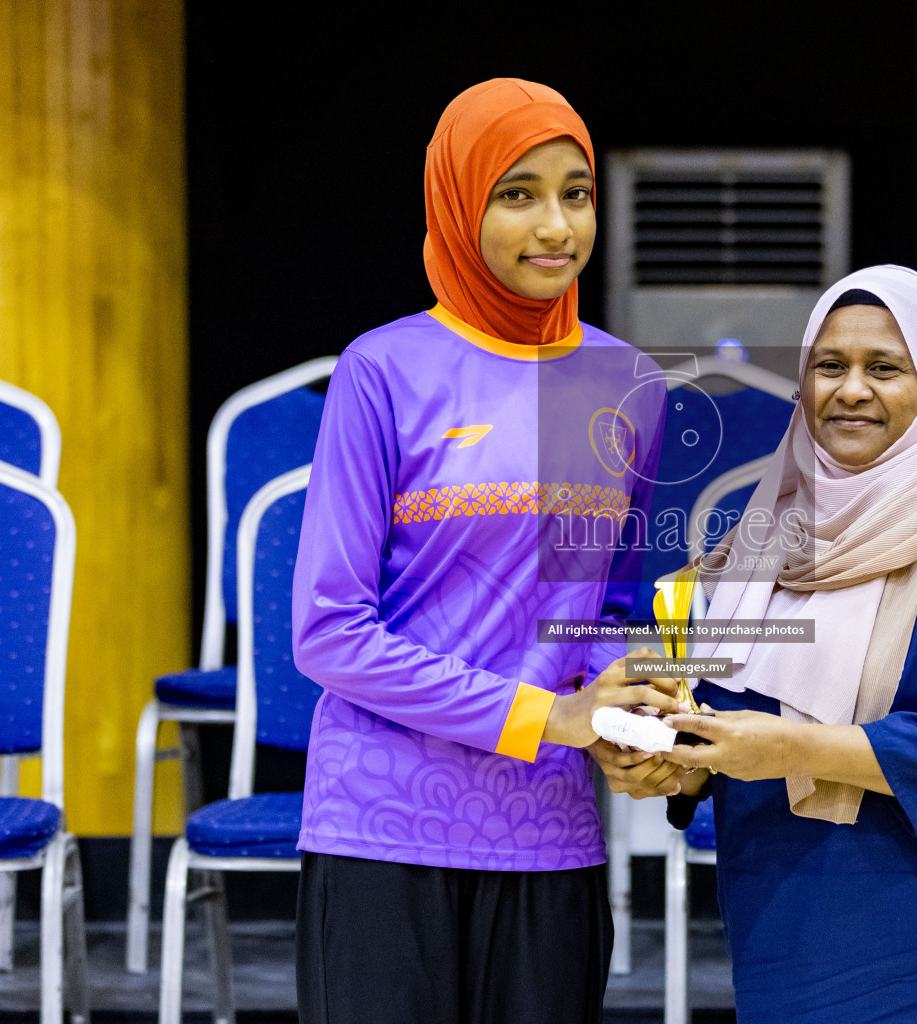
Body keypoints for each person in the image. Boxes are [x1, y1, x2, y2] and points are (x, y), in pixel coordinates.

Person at [595, 265, 917, 1023]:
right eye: (829, 366)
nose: (851, 390)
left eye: (884, 368)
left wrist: (792, 750)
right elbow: (718, 715)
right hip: (790, 925)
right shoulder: (755, 546)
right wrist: (667, 762)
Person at [291, 78, 677, 1024]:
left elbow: (608, 616)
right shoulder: (382, 370)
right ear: (460, 205)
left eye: (575, 193)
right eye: (518, 193)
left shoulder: (629, 384)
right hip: (380, 829)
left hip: (547, 835)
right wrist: (552, 715)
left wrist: (641, 712)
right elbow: (330, 633)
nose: (555, 226)